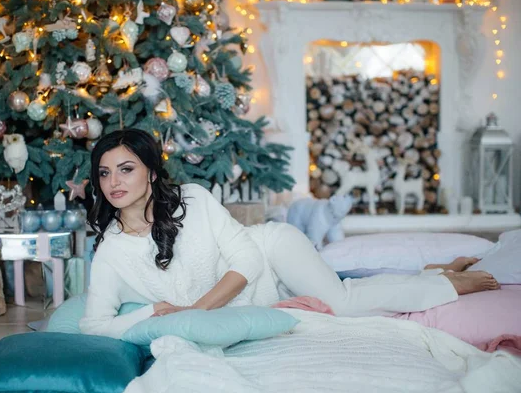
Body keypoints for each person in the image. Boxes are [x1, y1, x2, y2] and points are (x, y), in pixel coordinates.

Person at [79, 129, 499, 339]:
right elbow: (93, 325)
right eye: (104, 172)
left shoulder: (192, 197)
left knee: (344, 303)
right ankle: (430, 273)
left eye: (126, 168)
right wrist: (151, 313)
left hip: (271, 252)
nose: (114, 181)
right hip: (259, 302)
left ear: (151, 173)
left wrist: (194, 313)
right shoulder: (112, 251)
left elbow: (247, 260)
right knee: (346, 292)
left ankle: (448, 284)